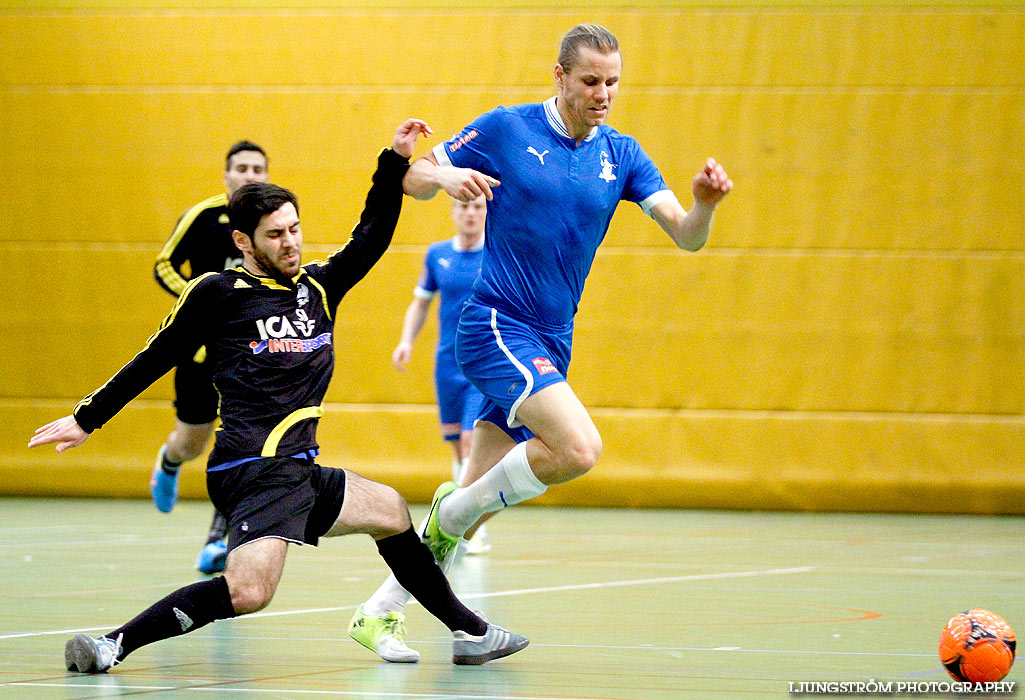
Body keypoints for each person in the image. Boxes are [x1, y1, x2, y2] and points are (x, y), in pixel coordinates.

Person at [28, 119, 528, 673]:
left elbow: (371, 235)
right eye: (275, 235)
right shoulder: (218, 294)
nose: (290, 242)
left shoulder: (318, 288)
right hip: (252, 466)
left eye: (294, 229)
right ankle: (109, 645)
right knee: (249, 593)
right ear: (243, 241)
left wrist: (393, 161)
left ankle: (469, 632)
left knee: (389, 508)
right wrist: (86, 419)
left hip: (295, 467)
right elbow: (156, 356)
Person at [354, 24, 733, 661]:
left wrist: (705, 205)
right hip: (496, 324)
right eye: (590, 81)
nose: (603, 93)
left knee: (471, 508)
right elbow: (413, 175)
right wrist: (445, 180)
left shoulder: (623, 154)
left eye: (612, 81)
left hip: (552, 340)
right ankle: (453, 514)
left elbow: (687, 236)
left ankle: (379, 612)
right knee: (579, 448)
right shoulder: (507, 128)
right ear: (559, 76)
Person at [151, 140, 270, 574]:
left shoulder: (275, 222)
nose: (249, 174)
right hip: (202, 352)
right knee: (193, 440)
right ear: (226, 176)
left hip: (253, 352)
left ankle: (218, 539)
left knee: (243, 442)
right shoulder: (202, 218)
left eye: (258, 167)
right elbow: (164, 263)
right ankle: (170, 460)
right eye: (241, 167)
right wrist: (197, 300)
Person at [391, 195, 490, 554]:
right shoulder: (437, 255)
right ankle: (459, 517)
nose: (470, 213)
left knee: (470, 441)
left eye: (478, 206)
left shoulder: (496, 252)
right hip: (447, 365)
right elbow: (421, 302)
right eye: (463, 206)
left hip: (483, 364)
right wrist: (406, 342)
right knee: (456, 445)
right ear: (452, 211)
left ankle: (468, 526)